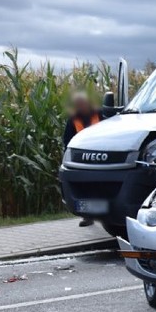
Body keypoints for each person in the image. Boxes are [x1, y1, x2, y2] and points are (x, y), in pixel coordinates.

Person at [62, 91, 103, 226]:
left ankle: (105, 214)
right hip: (83, 160)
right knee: (85, 188)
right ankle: (87, 217)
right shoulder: (73, 120)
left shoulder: (100, 115)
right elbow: (67, 140)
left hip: (102, 157)